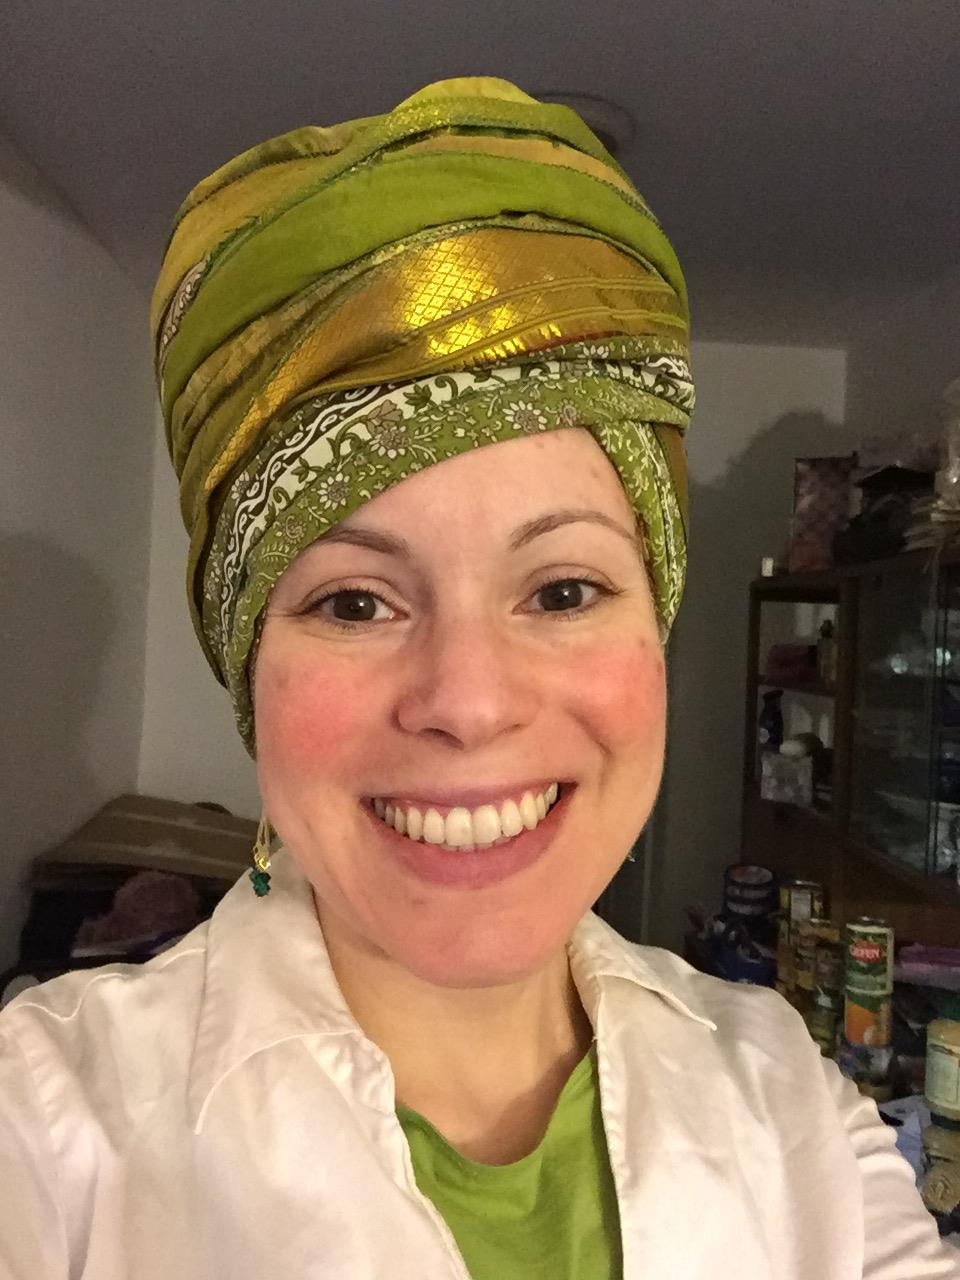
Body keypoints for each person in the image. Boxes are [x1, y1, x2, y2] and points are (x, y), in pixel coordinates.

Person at [0, 77, 956, 1280]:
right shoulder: (43, 1131)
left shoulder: (793, 1101)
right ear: (248, 667)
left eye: (562, 591)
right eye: (355, 601)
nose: (468, 700)